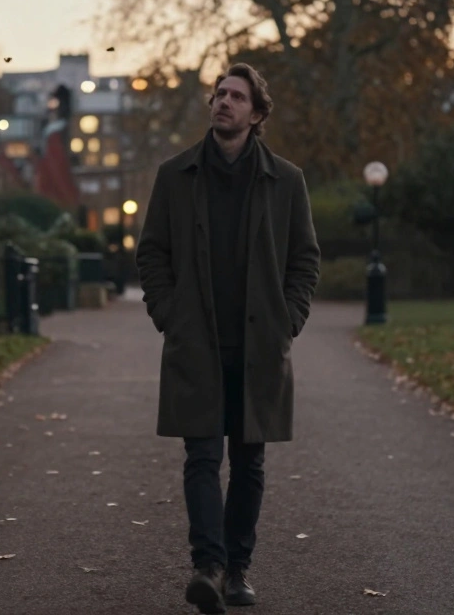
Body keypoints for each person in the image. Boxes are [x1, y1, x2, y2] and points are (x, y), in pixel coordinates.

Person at [135, 63, 321, 613]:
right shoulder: (175, 175)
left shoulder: (286, 180)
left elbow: (304, 259)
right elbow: (152, 253)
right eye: (219, 94)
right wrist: (169, 314)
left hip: (260, 344)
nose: (224, 102)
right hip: (197, 342)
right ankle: (208, 567)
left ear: (256, 114)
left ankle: (237, 569)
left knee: (249, 463)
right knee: (200, 458)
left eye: (237, 97)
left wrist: (289, 319)